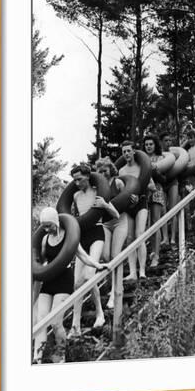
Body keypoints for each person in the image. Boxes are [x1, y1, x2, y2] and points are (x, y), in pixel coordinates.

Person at [32, 207, 107, 362]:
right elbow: (42, 261)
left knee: (55, 322)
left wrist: (97, 265)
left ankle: (61, 355)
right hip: (49, 280)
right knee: (41, 320)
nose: (47, 229)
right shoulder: (45, 239)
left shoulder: (69, 237)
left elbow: (83, 256)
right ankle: (37, 358)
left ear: (56, 222)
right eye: (44, 226)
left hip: (64, 280)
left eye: (49, 225)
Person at [68, 163, 110, 338]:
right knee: (77, 283)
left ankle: (100, 314)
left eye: (80, 179)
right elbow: (77, 217)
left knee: (89, 276)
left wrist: (106, 205)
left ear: (88, 176)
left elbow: (109, 212)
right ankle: (75, 325)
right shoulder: (76, 196)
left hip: (97, 233)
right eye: (74, 180)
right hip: (82, 237)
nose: (77, 183)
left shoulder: (97, 191)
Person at [95, 157, 128, 308]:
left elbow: (126, 199)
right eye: (100, 171)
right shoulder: (98, 187)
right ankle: (112, 285)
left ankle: (115, 293)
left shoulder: (118, 182)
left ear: (110, 169)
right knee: (105, 256)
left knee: (115, 255)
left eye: (105, 170)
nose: (103, 173)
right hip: (106, 223)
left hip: (120, 221)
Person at [118, 141, 152, 280]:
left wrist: (140, 191)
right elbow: (120, 190)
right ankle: (132, 272)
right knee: (129, 238)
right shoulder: (121, 171)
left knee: (140, 235)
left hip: (141, 202)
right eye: (124, 151)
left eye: (128, 151)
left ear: (133, 152)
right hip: (128, 205)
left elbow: (152, 186)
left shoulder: (141, 167)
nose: (126, 154)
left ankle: (142, 271)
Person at [143, 134, 166, 268]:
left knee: (155, 222)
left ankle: (156, 255)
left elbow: (164, 178)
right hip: (144, 192)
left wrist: (154, 171)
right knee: (147, 225)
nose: (149, 147)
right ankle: (151, 251)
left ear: (155, 145)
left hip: (156, 190)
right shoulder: (142, 159)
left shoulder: (161, 158)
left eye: (151, 144)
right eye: (146, 145)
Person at [159, 132, 179, 250]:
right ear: (161, 142)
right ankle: (165, 238)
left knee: (173, 209)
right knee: (163, 211)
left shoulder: (174, 154)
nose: (168, 143)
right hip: (162, 183)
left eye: (170, 140)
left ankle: (173, 239)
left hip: (173, 182)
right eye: (166, 140)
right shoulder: (159, 155)